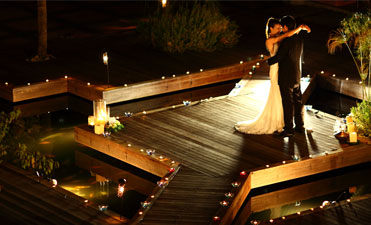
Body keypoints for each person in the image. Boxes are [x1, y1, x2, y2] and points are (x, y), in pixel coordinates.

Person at [235, 17, 310, 134]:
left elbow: (284, 46)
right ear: (270, 28)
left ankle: (288, 126)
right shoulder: (272, 40)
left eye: (281, 28)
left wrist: (298, 29)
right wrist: (299, 29)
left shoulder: (287, 38)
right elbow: (284, 39)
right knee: (285, 97)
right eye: (277, 28)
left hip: (285, 70)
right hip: (279, 69)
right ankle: (285, 123)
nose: (280, 30)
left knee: (287, 99)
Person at [268, 15, 311, 137]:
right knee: (298, 102)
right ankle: (300, 126)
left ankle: (289, 130)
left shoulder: (286, 41)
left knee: (288, 104)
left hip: (286, 76)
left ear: (286, 27)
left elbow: (278, 57)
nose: (281, 29)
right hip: (297, 75)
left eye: (282, 27)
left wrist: (268, 62)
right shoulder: (299, 39)